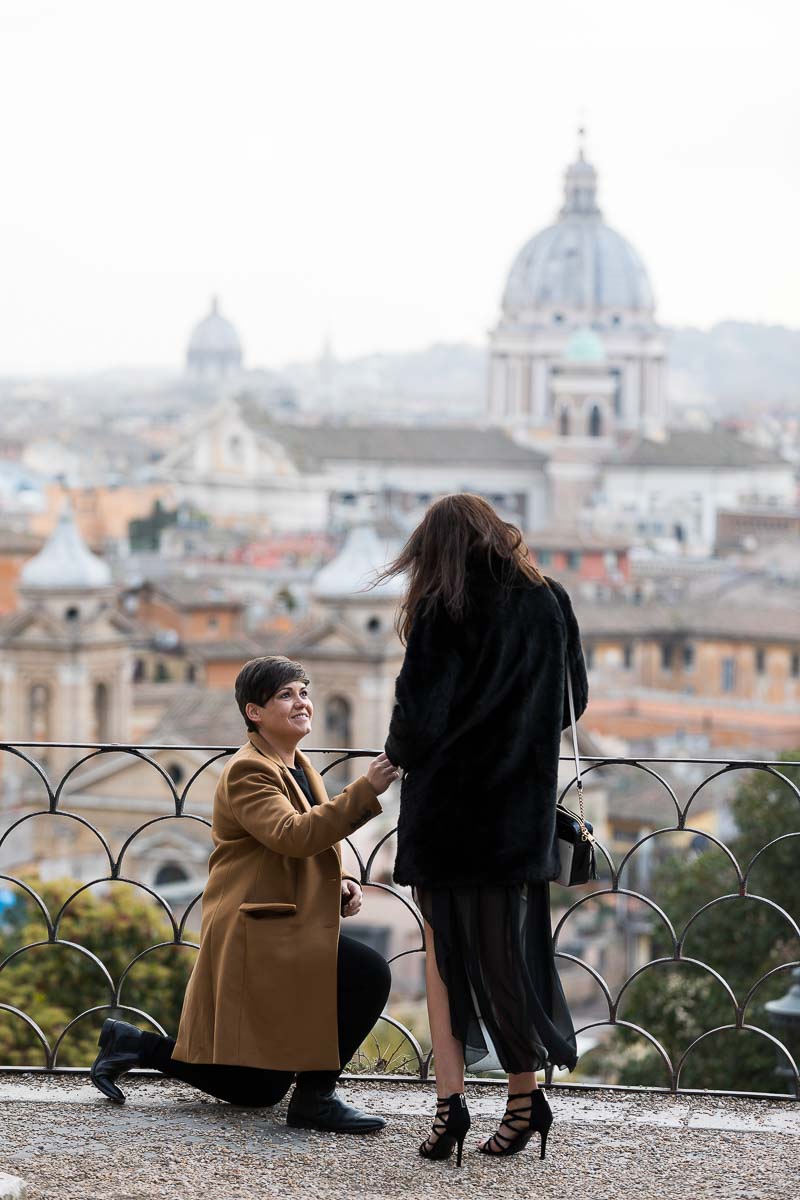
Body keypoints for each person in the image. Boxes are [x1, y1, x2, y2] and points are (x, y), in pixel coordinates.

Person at [90, 656, 400, 1133]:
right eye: (285, 695)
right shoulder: (248, 771)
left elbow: (300, 850)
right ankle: (317, 1098)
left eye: (303, 691)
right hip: (259, 931)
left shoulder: (297, 765)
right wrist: (367, 790)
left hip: (284, 922)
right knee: (368, 971)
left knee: (259, 1091)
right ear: (255, 712)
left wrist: (339, 883)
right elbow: (292, 835)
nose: (301, 702)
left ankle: (135, 1045)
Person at [379, 494, 588, 1164]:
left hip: (450, 814)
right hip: (519, 811)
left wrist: (401, 752)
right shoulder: (548, 597)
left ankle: (450, 1110)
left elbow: (419, 718)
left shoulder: (446, 604)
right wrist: (514, 733)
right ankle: (525, 1101)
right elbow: (573, 699)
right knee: (505, 957)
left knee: (445, 961)